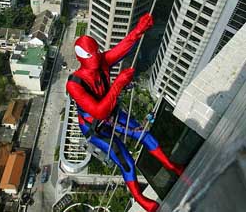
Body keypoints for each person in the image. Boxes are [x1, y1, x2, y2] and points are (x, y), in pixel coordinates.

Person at [66, 13, 184, 212]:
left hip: (113, 114)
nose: (95, 58)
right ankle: (139, 198)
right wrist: (118, 84)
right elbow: (98, 112)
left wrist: (139, 30)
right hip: (95, 127)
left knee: (144, 134)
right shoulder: (75, 84)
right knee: (125, 160)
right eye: (90, 55)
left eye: (96, 53)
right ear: (81, 58)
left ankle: (170, 165)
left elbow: (122, 48)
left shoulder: (102, 61)